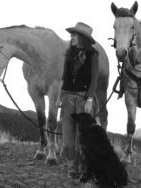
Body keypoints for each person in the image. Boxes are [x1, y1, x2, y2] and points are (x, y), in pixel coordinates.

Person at [56, 22, 100, 178]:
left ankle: (81, 168)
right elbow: (64, 76)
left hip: (82, 98)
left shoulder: (93, 54)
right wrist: (59, 96)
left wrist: (89, 99)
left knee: (80, 137)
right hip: (67, 98)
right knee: (68, 137)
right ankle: (71, 168)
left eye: (74, 35)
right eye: (71, 34)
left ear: (82, 37)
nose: (71, 37)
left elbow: (94, 79)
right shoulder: (70, 53)